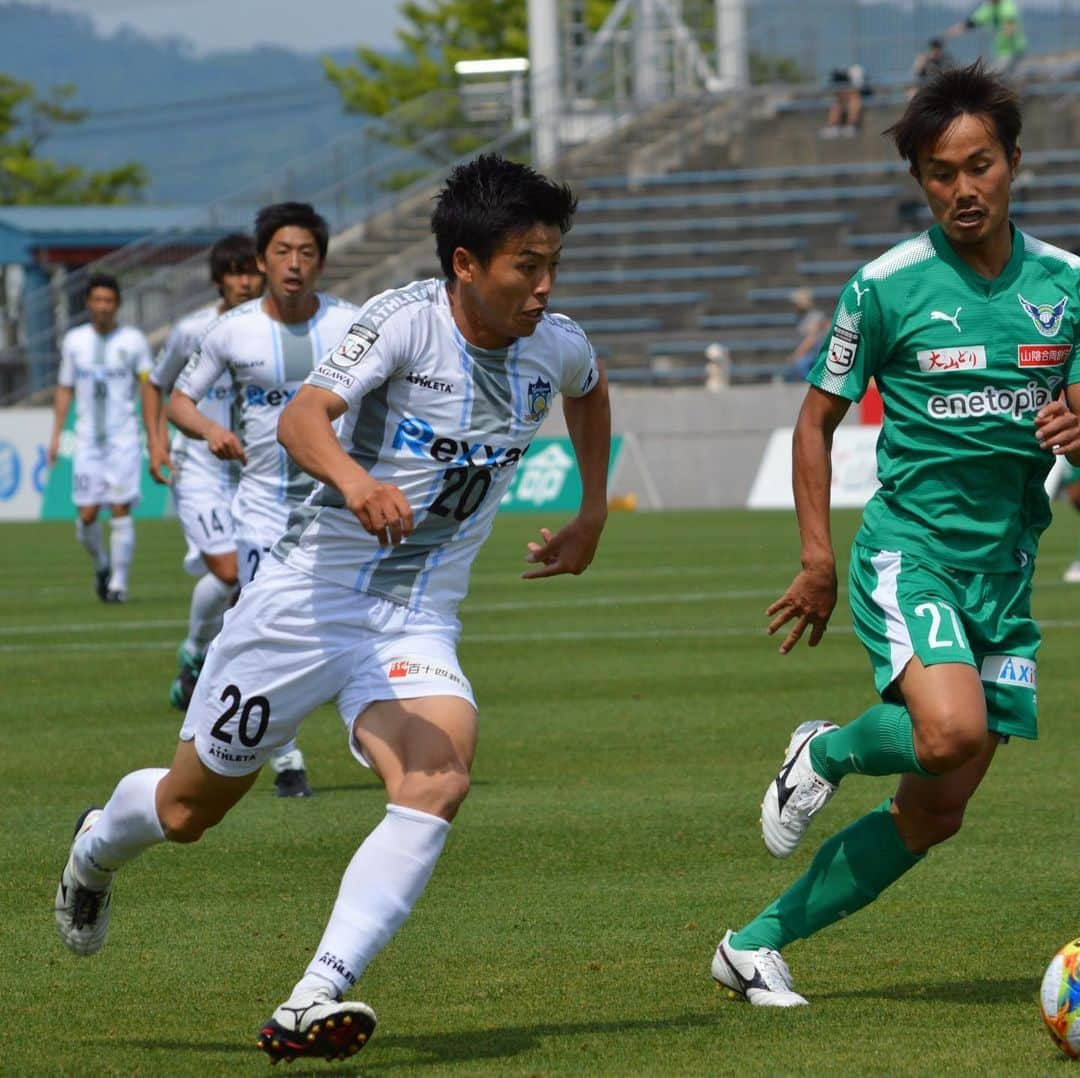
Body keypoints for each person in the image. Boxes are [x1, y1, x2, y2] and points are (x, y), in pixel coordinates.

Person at [53, 154, 611, 1062]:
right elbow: (304, 419)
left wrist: (591, 510)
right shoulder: (401, 322)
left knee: (439, 776)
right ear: (466, 264)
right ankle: (96, 849)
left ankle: (315, 995)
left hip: (414, 615)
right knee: (190, 810)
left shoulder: (558, 343)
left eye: (554, 263)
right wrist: (356, 481)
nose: (545, 287)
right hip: (303, 605)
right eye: (527, 265)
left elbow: (589, 395)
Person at [711, 62, 1080, 1006]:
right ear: (920, 180)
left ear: (1014, 164)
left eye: (979, 165)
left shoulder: (1070, 286)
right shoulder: (885, 287)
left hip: (1007, 567)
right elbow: (814, 421)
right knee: (949, 731)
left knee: (936, 810)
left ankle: (752, 946)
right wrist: (817, 556)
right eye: (939, 171)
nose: (963, 187)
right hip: (909, 549)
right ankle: (827, 751)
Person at [164, 202, 360, 800]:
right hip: (263, 513)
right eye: (282, 252)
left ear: (322, 261)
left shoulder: (355, 325)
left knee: (335, 630)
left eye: (306, 253)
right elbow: (178, 399)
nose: (294, 264)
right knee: (260, 630)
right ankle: (287, 759)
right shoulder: (232, 331)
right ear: (261, 260)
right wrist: (209, 431)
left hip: (334, 510)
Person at [141, 234, 264, 711]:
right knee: (232, 568)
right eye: (234, 272)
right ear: (219, 280)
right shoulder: (193, 331)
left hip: (255, 472)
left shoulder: (270, 330)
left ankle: (205, 660)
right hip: (201, 469)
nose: (245, 281)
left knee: (250, 582)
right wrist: (156, 445)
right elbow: (156, 385)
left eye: (251, 271)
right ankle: (196, 650)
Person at [47, 273, 153, 603]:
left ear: (117, 304)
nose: (104, 307)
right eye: (98, 300)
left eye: (109, 301)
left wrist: (154, 433)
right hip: (88, 440)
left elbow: (149, 385)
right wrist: (56, 435)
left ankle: (119, 584)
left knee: (120, 508)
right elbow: (65, 388)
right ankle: (102, 565)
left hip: (123, 439)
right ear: (89, 303)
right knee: (86, 516)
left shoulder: (134, 341)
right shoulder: (75, 341)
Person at [946, 0, 1026, 75]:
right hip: (999, 50)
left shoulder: (1007, 5)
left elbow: (1010, 22)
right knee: (999, 74)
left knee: (996, 74)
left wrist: (1008, 30)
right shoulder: (988, 8)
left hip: (1013, 49)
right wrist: (953, 31)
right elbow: (972, 22)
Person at [781, 288, 828, 383]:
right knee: (790, 372)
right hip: (808, 354)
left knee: (800, 365)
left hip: (818, 354)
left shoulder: (815, 317)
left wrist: (796, 355)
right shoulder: (800, 318)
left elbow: (811, 339)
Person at [820, 65, 868, 139]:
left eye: (845, 81)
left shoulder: (857, 98)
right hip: (844, 106)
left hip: (854, 127)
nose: (842, 88)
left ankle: (851, 126)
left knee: (854, 101)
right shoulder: (838, 102)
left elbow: (857, 93)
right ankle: (832, 127)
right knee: (837, 104)